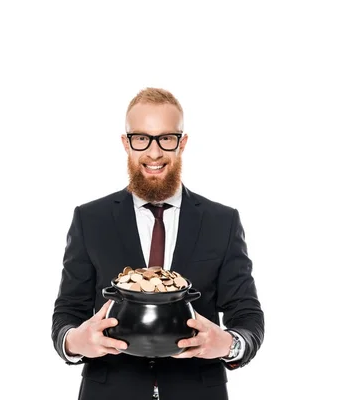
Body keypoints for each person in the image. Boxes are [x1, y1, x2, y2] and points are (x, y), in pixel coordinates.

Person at [51, 87, 264, 400]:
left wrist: (229, 344)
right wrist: (73, 342)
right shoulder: (89, 219)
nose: (154, 152)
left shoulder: (222, 221)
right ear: (126, 144)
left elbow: (247, 316)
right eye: (141, 138)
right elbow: (67, 312)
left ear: (182, 143)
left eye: (166, 138)